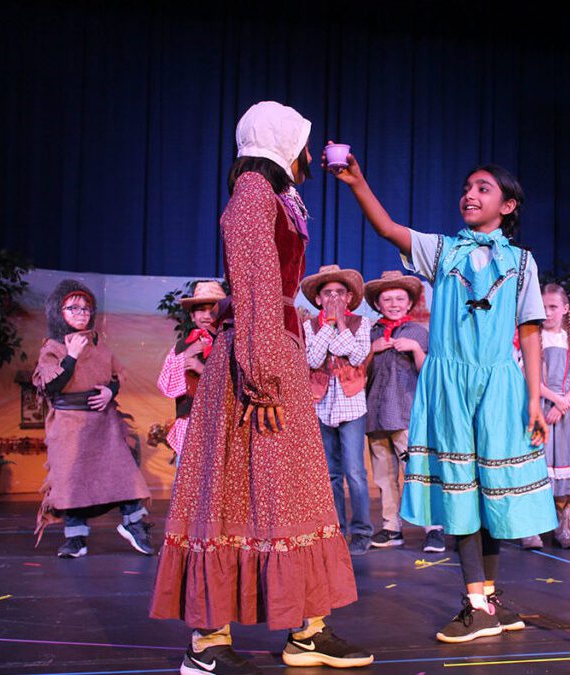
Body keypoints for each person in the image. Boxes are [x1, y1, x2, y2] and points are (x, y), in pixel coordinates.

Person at [149, 101, 373, 673]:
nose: (307, 151)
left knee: (292, 490)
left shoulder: (272, 197)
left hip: (273, 351)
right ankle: (208, 636)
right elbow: (251, 290)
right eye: (303, 140)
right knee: (232, 490)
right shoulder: (252, 194)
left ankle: (308, 627)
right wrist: (264, 377)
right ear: (280, 143)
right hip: (256, 362)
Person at [328, 151, 556, 643]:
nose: (470, 194)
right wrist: (358, 182)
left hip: (498, 384)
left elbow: (532, 332)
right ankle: (478, 600)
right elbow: (388, 228)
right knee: (461, 491)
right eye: (467, 186)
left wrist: (534, 399)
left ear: (508, 206)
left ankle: (485, 601)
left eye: (483, 188)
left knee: (492, 494)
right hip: (449, 385)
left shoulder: (521, 263)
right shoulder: (443, 251)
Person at [32, 279, 153, 558]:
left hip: (102, 422)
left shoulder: (98, 343)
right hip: (69, 425)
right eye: (73, 308)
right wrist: (71, 356)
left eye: (86, 309)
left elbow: (114, 376)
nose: (81, 313)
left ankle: (133, 524)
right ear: (58, 312)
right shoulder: (53, 347)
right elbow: (50, 386)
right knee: (72, 480)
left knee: (123, 471)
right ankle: (76, 539)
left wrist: (110, 392)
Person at [363, 270, 445, 553]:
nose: (394, 303)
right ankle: (391, 527)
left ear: (410, 303)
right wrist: (371, 350)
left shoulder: (417, 332)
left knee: (417, 472)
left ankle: (432, 527)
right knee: (384, 476)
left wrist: (415, 350)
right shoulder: (371, 333)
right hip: (376, 415)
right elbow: (358, 373)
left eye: (400, 298)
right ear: (377, 303)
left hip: (405, 414)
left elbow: (429, 374)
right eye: (388, 299)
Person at [301, 264, 374, 556]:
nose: (333, 298)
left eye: (339, 293)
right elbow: (312, 358)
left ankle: (361, 531)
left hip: (351, 402)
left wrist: (341, 324)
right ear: (318, 299)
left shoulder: (361, 323)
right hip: (321, 403)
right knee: (330, 472)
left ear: (348, 298)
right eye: (327, 293)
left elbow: (357, 355)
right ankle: (336, 529)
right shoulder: (310, 326)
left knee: (354, 471)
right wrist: (329, 324)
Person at [519, 284, 570, 550]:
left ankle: (563, 528)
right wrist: (554, 400)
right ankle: (531, 530)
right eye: (543, 307)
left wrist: (563, 404)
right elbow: (529, 376)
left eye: (553, 307)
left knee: (565, 471)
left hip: (565, 413)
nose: (548, 312)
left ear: (565, 309)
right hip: (539, 408)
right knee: (537, 469)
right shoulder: (532, 337)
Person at [156, 280, 226, 460]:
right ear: (193, 316)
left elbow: (235, 385)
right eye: (201, 310)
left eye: (213, 310)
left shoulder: (229, 344)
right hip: (189, 422)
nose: (207, 315)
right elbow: (166, 385)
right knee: (185, 478)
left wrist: (201, 368)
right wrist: (187, 355)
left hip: (220, 423)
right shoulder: (181, 346)